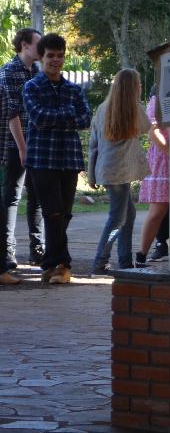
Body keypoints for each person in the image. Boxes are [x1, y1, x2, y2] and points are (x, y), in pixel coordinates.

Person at [20, 33, 91, 284]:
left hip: (69, 159)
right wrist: (68, 113)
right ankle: (62, 265)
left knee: (65, 214)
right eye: (51, 55)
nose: (56, 60)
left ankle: (52, 264)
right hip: (42, 159)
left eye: (60, 56)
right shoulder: (31, 87)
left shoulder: (74, 89)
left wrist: (57, 116)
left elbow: (86, 120)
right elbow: (39, 118)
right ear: (42, 57)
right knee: (52, 213)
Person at [87, 68, 148, 275]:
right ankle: (100, 261)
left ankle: (125, 261)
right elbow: (146, 127)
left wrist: (92, 173)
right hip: (121, 172)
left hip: (107, 170)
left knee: (128, 215)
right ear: (134, 87)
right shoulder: (134, 109)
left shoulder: (103, 108)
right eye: (138, 84)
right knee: (117, 219)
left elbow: (93, 144)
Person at [1, 27, 45, 272]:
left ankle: (38, 249)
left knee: (37, 196)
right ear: (25, 45)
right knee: (12, 197)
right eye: (38, 44)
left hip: (36, 143)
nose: (43, 49)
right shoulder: (9, 72)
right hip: (13, 144)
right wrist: (22, 148)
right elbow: (12, 113)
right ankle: (7, 251)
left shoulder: (37, 71)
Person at [135, 95, 170, 267]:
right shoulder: (157, 100)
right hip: (164, 158)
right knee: (157, 211)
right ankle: (141, 255)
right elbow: (152, 130)